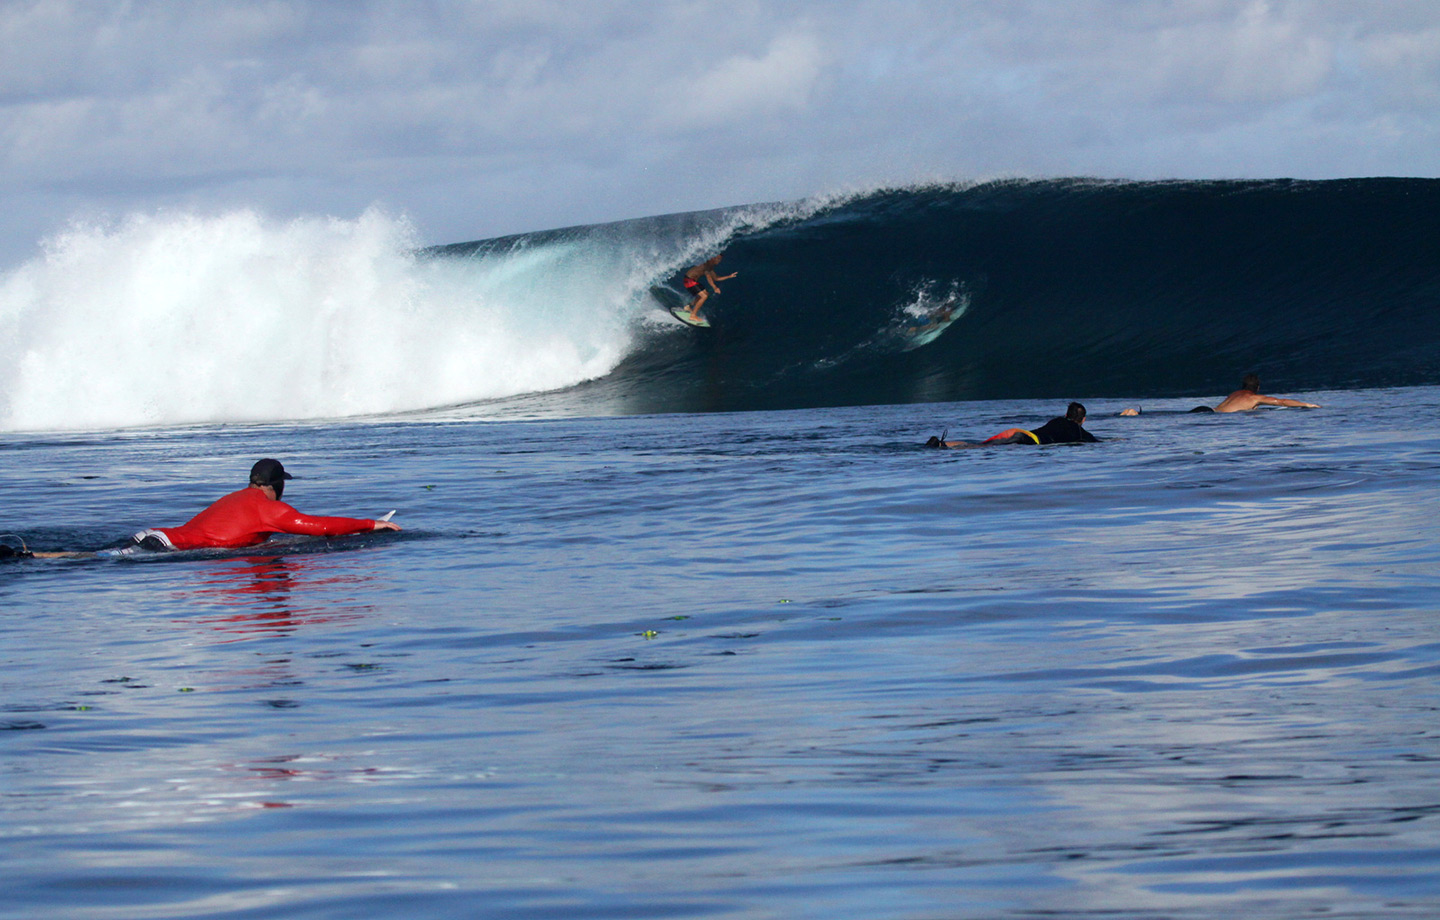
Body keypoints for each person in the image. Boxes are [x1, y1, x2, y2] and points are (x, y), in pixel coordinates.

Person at [125, 458, 400, 551]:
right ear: (278, 485)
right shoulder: (268, 508)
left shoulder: (233, 498)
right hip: (165, 547)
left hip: (154, 536)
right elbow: (318, 526)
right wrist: (372, 523)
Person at [926, 402, 1100, 449]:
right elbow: (1095, 442)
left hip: (1019, 433)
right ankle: (941, 445)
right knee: (977, 448)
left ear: (1066, 415)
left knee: (980, 445)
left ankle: (943, 444)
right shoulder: (1080, 432)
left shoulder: (1057, 420)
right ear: (1083, 420)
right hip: (1022, 439)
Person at [1201, 373, 1320, 413]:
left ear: (1243, 386)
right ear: (1258, 387)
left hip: (1205, 410)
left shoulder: (1234, 394)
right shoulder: (1254, 398)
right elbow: (1281, 402)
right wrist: (1306, 404)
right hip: (1218, 417)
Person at [681, 254, 737, 323]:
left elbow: (716, 278)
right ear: (713, 258)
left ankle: (688, 307)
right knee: (704, 296)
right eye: (718, 259)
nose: (719, 261)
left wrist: (729, 276)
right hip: (689, 280)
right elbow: (709, 278)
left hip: (693, 281)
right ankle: (693, 315)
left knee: (705, 293)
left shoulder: (710, 267)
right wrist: (715, 288)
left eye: (720, 259)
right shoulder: (706, 265)